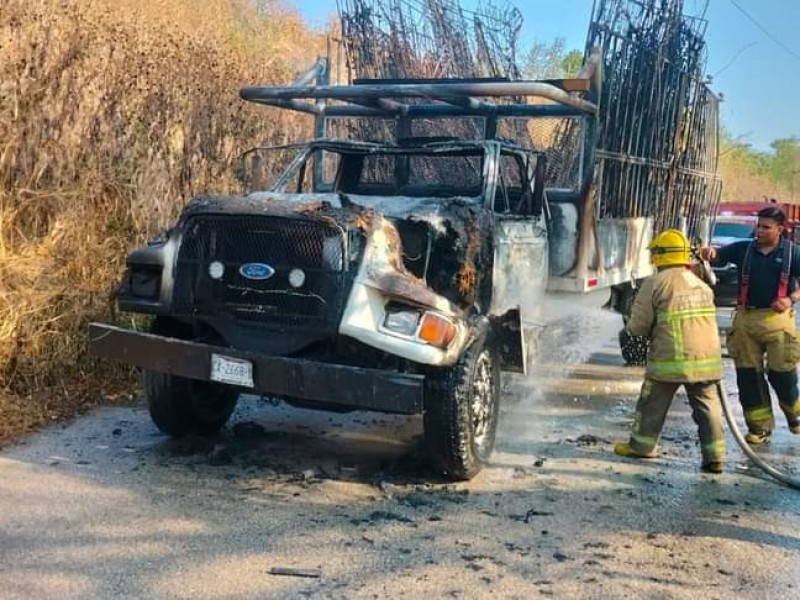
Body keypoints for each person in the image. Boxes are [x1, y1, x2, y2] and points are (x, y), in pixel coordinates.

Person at [615, 229, 726, 474]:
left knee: (651, 403)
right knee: (708, 409)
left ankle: (642, 447)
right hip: (707, 361)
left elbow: (638, 327)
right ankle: (715, 457)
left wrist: (630, 326)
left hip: (670, 359)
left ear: (660, 255)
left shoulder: (655, 283)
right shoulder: (702, 285)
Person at [700, 206, 800, 445]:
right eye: (759, 226)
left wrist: (791, 298)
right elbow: (717, 255)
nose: (760, 231)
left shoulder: (793, 254)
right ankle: (759, 428)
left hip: (777, 321)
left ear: (780, 229)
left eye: (766, 227)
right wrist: (709, 253)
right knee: (748, 377)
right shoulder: (744, 249)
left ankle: (794, 416)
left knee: (782, 374)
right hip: (746, 320)